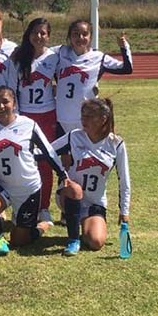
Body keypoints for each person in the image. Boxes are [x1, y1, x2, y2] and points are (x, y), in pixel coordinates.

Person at [0, 87, 69, 256]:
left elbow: (48, 150)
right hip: (3, 186)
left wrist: (62, 174)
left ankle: (41, 227)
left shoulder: (28, 124)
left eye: (5, 102)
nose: (1, 106)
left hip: (28, 188)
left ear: (14, 104)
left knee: (19, 241)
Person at [52, 98, 131, 256]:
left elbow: (124, 179)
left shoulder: (116, 143)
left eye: (89, 116)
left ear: (103, 119)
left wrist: (124, 210)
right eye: (83, 115)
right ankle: (73, 239)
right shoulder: (74, 136)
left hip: (94, 202)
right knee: (75, 190)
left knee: (96, 242)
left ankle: (83, 224)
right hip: (69, 196)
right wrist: (62, 167)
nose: (84, 120)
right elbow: (48, 151)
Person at [7, 17, 59, 225]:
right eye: (35, 32)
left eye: (43, 33)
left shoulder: (55, 57)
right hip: (25, 116)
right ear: (28, 34)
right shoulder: (18, 59)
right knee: (22, 164)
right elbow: (11, 89)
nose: (39, 36)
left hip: (48, 115)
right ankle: (20, 205)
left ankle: (44, 208)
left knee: (45, 162)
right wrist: (15, 117)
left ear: (48, 35)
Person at [54, 19, 132, 135]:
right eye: (75, 34)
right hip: (62, 117)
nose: (80, 38)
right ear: (69, 36)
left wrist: (124, 47)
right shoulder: (59, 52)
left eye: (85, 34)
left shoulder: (98, 57)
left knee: (87, 152)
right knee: (65, 153)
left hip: (87, 117)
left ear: (90, 37)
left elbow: (127, 68)